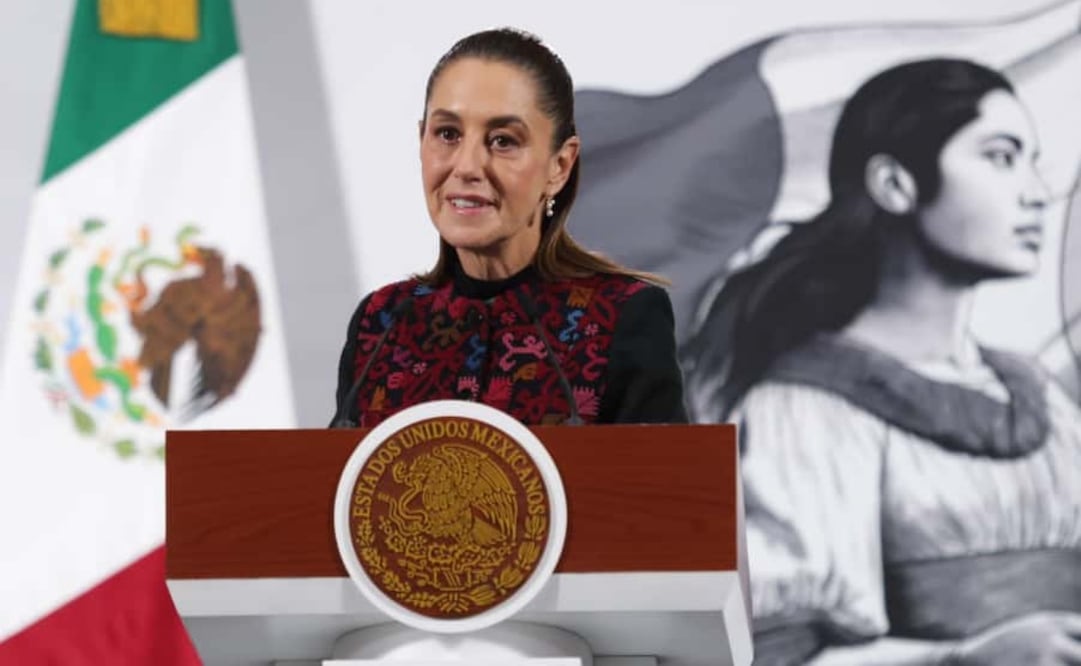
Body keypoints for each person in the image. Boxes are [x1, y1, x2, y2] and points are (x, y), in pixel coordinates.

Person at [682, 59, 1081, 665]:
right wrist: (964, 660)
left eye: (1031, 161)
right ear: (896, 184)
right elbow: (775, 652)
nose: (1036, 192)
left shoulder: (1040, 395)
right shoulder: (806, 407)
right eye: (1000, 157)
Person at [332, 28, 687, 429]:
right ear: (421, 141)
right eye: (447, 134)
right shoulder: (379, 324)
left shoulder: (623, 317)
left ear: (560, 166)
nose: (466, 167)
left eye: (503, 141)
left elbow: (663, 487)